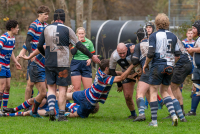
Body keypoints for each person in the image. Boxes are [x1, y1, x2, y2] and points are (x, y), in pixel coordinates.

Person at [31, 9, 100, 121]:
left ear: (54, 18)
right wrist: (92, 56)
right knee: (62, 89)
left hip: (50, 63)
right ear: (63, 19)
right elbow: (79, 45)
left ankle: (52, 109)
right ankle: (61, 115)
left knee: (51, 88)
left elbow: (39, 46)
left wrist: (45, 55)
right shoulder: (68, 29)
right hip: (62, 64)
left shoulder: (46, 28)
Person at [143, 13, 181, 127]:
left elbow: (150, 53)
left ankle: (154, 122)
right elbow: (178, 54)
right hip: (170, 66)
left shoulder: (154, 36)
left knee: (153, 92)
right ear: (167, 23)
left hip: (158, 65)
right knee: (164, 91)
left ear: (156, 24)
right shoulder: (174, 36)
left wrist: (145, 64)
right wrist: (172, 63)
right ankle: (174, 115)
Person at [66, 59, 135, 118]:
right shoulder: (105, 78)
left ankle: (57, 100)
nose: (113, 68)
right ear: (107, 68)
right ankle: (61, 114)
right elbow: (122, 77)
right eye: (111, 67)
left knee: (65, 95)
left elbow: (116, 72)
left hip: (85, 93)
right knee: (74, 115)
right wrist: (132, 65)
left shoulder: (99, 70)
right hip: (88, 103)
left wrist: (129, 76)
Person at [17, 6, 50, 112]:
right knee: (30, 84)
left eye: (48, 14)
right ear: (39, 14)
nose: (47, 16)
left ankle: (40, 104)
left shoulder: (47, 26)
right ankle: (26, 107)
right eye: (45, 14)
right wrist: (31, 54)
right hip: (34, 58)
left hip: (44, 59)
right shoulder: (34, 25)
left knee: (44, 83)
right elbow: (27, 41)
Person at [109, 42, 138, 119]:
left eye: (124, 53)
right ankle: (133, 115)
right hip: (127, 73)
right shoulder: (114, 55)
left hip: (139, 70)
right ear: (117, 50)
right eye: (120, 53)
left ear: (126, 49)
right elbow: (112, 70)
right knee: (127, 96)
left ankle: (153, 113)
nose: (122, 55)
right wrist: (119, 84)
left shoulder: (133, 49)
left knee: (145, 92)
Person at [0, 20, 21, 113]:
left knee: (8, 87)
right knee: (2, 87)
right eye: (17, 28)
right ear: (12, 29)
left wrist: (16, 62)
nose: (18, 29)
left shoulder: (12, 38)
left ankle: (4, 108)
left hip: (7, 66)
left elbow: (11, 51)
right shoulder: (3, 38)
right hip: (1, 66)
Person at [70, 27, 95, 92]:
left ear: (85, 34)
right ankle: (76, 102)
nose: (81, 35)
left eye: (82, 33)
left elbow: (93, 55)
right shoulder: (73, 42)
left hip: (86, 64)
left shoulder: (89, 42)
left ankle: (86, 102)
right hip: (76, 64)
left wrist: (90, 59)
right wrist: (78, 43)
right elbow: (73, 52)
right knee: (76, 88)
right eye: (79, 34)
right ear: (76, 34)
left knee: (88, 89)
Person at [186, 20, 200, 116]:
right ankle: (192, 111)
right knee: (196, 88)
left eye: (194, 28)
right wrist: (190, 51)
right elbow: (194, 53)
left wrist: (192, 49)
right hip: (196, 67)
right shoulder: (198, 40)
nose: (193, 30)